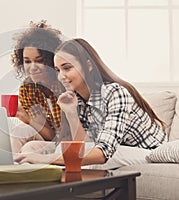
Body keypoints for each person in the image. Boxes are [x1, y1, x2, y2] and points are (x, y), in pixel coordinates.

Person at [14, 38, 167, 168]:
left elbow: (103, 152)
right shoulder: (77, 98)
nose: (61, 76)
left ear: (88, 64)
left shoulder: (115, 93)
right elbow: (83, 143)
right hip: (119, 149)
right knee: (67, 151)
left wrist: (46, 159)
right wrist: (71, 113)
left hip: (150, 152)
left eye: (67, 68)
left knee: (94, 159)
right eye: (58, 70)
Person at [10, 20, 70, 153]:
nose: (32, 67)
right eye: (27, 61)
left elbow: (64, 134)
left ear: (50, 59)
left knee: (29, 149)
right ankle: (8, 170)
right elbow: (48, 135)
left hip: (68, 141)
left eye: (39, 61)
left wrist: (27, 118)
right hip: (50, 140)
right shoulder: (28, 88)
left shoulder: (65, 83)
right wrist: (26, 117)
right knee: (20, 131)